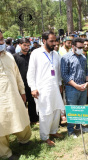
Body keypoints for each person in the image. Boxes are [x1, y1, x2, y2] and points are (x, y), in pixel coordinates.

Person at [27, 31, 65, 146]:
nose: (54, 43)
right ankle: (45, 136)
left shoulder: (56, 54)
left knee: (56, 110)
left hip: (54, 88)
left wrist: (59, 84)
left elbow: (58, 72)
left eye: (55, 41)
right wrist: (33, 88)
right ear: (44, 41)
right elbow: (31, 72)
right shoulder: (36, 53)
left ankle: (53, 131)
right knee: (45, 112)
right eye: (51, 41)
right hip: (42, 89)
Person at [0, 30, 32, 160]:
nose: (1, 42)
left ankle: (24, 140)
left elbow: (18, 75)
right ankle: (5, 153)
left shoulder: (8, 56)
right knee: (1, 125)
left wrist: (22, 91)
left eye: (1, 39)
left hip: (14, 95)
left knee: (21, 117)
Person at [61, 37, 88, 138]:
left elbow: (86, 71)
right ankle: (70, 130)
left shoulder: (83, 57)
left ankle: (79, 126)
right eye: (80, 47)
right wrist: (76, 86)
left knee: (80, 108)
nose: (82, 48)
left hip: (83, 87)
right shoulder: (65, 58)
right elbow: (64, 75)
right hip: (71, 88)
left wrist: (86, 82)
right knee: (72, 109)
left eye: (83, 47)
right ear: (73, 46)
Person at [13, 38, 39, 124]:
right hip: (20, 85)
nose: (27, 47)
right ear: (20, 45)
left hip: (31, 84)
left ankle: (33, 120)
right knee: (21, 103)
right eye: (25, 45)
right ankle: (22, 122)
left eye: (28, 45)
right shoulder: (15, 57)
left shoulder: (32, 56)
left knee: (32, 102)